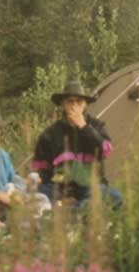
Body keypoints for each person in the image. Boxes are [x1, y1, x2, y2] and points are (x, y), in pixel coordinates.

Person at [32, 80, 122, 210]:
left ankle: (74, 209)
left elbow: (105, 151)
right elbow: (41, 169)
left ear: (85, 105)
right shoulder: (50, 134)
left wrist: (84, 127)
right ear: (63, 104)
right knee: (39, 196)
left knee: (114, 196)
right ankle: (73, 208)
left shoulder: (97, 126)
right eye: (70, 102)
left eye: (79, 102)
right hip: (61, 188)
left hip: (91, 186)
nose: (74, 106)